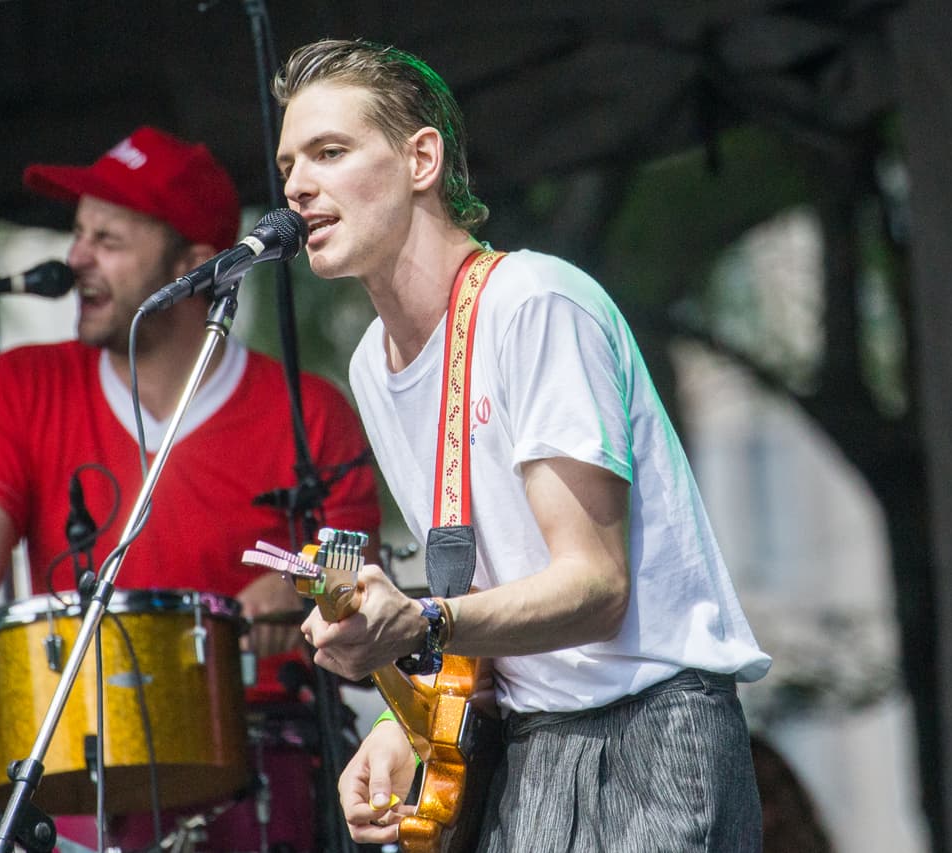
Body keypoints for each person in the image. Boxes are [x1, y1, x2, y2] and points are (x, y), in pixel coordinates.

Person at [272, 39, 771, 851]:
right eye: (289, 164)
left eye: (330, 152)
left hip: (648, 733)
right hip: (529, 744)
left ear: (422, 159)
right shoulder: (373, 365)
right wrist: (408, 724)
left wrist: (420, 622)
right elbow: (483, 594)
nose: (296, 185)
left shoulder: (534, 303)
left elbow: (596, 586)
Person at [0, 126, 380, 851]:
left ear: (195, 265)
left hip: (258, 762)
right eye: (78, 233)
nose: (76, 258)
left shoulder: (310, 408)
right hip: (77, 754)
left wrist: (301, 586)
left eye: (108, 240)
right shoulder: (24, 385)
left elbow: (358, 578)